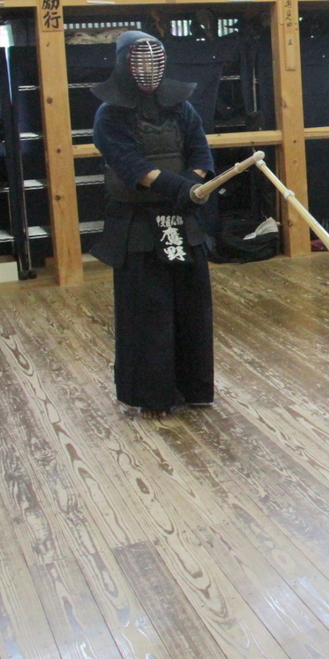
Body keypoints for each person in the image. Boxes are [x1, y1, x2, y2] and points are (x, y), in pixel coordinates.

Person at [90, 30, 216, 416]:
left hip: (182, 218)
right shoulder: (109, 114)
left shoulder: (181, 107)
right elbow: (130, 164)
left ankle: (194, 386)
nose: (147, 70)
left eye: (153, 60)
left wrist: (194, 181)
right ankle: (152, 394)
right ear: (123, 65)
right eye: (138, 61)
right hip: (138, 224)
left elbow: (200, 151)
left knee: (193, 306)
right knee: (148, 310)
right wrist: (178, 186)